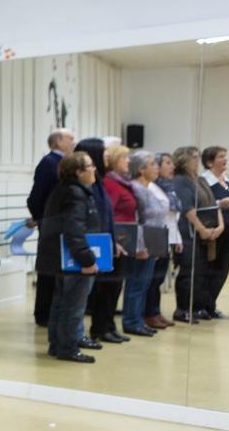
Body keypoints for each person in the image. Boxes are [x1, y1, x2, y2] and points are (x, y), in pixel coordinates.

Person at [37, 151, 101, 362]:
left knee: (61, 304)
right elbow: (75, 231)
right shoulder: (76, 194)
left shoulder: (64, 190)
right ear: (77, 171)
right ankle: (68, 348)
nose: (94, 169)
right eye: (90, 166)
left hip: (60, 258)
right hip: (73, 260)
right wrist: (87, 259)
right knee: (73, 305)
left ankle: (57, 345)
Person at [77, 138, 127, 345]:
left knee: (112, 288)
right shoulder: (90, 184)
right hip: (95, 244)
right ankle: (98, 328)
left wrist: (114, 241)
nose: (108, 156)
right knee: (100, 290)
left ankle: (107, 326)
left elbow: (107, 216)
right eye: (104, 153)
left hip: (106, 242)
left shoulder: (99, 181)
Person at [26, 129, 77, 327]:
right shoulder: (49, 163)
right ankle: (44, 313)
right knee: (48, 269)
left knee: (56, 270)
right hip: (51, 224)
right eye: (69, 138)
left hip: (57, 222)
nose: (73, 141)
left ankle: (52, 311)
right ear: (57, 141)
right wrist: (43, 218)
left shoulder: (61, 163)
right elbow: (37, 196)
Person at [105, 147, 155, 337]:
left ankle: (131, 321)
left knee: (133, 284)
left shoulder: (125, 183)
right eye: (124, 157)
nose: (128, 161)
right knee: (127, 284)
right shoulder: (112, 183)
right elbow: (110, 214)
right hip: (122, 238)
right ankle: (124, 323)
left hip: (132, 236)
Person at [170, 146, 223, 323]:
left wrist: (219, 226)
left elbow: (214, 204)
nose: (196, 160)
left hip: (205, 231)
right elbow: (187, 209)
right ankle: (182, 309)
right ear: (183, 160)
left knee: (200, 272)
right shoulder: (180, 180)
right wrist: (201, 229)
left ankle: (196, 306)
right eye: (193, 157)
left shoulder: (199, 179)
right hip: (188, 232)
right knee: (188, 272)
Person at [129, 151, 177, 331]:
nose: (156, 167)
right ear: (141, 169)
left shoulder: (150, 187)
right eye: (152, 164)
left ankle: (140, 318)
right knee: (138, 283)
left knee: (147, 282)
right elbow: (138, 219)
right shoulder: (137, 188)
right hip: (144, 239)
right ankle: (133, 320)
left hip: (155, 236)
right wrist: (141, 245)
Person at [200, 145, 229, 319]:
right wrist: (221, 203)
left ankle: (211, 305)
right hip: (214, 231)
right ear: (210, 161)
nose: (225, 160)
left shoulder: (228, 181)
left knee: (222, 269)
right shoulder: (204, 181)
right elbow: (203, 204)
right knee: (209, 268)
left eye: (225, 156)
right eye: (221, 157)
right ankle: (202, 305)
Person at [146, 152, 182, 329]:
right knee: (152, 280)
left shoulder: (170, 187)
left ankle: (156, 312)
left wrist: (177, 239)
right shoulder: (151, 187)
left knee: (158, 279)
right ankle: (149, 314)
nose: (172, 167)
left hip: (168, 237)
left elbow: (173, 218)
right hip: (155, 237)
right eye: (168, 163)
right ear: (157, 166)